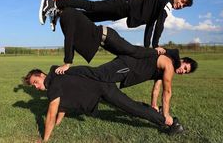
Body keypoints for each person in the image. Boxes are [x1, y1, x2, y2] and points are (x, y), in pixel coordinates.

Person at [22, 57, 194, 141]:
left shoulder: (54, 84)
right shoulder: (55, 77)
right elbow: (61, 106)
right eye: (33, 86)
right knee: (130, 106)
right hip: (98, 89)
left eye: (35, 82)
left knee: (131, 108)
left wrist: (44, 139)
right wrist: (59, 123)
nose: (36, 87)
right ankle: (156, 114)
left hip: (103, 87)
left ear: (41, 74)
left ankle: (171, 122)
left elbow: (51, 113)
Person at [38, 0, 167, 75]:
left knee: (92, 7)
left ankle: (54, 8)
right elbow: (70, 34)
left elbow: (69, 37)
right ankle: (54, 11)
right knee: (89, 14)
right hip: (117, 17)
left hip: (117, 17)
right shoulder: (71, 14)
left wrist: (67, 62)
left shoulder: (164, 3)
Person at [64, 48, 197, 127]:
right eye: (184, 67)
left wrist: (154, 105)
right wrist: (166, 114)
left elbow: (157, 88)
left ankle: (71, 84)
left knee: (98, 78)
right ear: (182, 60)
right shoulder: (169, 64)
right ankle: (65, 72)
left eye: (185, 72)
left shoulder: (167, 67)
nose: (182, 71)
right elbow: (167, 92)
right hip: (127, 66)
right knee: (98, 74)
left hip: (127, 68)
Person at [39, 0, 193, 47]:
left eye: (184, 6)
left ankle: (60, 12)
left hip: (122, 12)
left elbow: (151, 26)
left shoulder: (160, 8)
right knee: (93, 6)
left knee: (90, 17)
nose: (181, 5)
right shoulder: (166, 0)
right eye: (182, 1)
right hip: (125, 4)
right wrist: (156, 46)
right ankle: (53, 4)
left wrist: (148, 49)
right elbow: (160, 25)